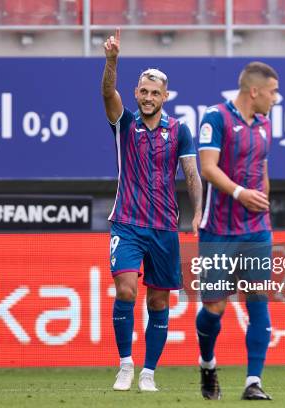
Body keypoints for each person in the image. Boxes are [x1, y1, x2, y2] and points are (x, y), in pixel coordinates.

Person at [101, 28, 203, 392]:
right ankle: (125, 365)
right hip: (126, 222)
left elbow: (191, 173)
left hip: (163, 228)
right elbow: (106, 92)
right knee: (126, 290)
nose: (147, 98)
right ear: (136, 93)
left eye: (154, 93)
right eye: (142, 91)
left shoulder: (180, 131)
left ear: (165, 96)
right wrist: (112, 60)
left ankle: (148, 373)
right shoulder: (125, 124)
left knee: (159, 299)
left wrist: (197, 212)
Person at [195, 61, 279, 400]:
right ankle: (207, 364)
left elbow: (262, 168)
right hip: (219, 230)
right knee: (215, 308)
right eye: (272, 92)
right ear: (254, 91)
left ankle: (252, 382)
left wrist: (263, 201)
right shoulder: (216, 118)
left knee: (258, 299)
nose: (275, 98)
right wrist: (241, 193)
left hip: (257, 230)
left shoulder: (265, 125)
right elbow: (207, 168)